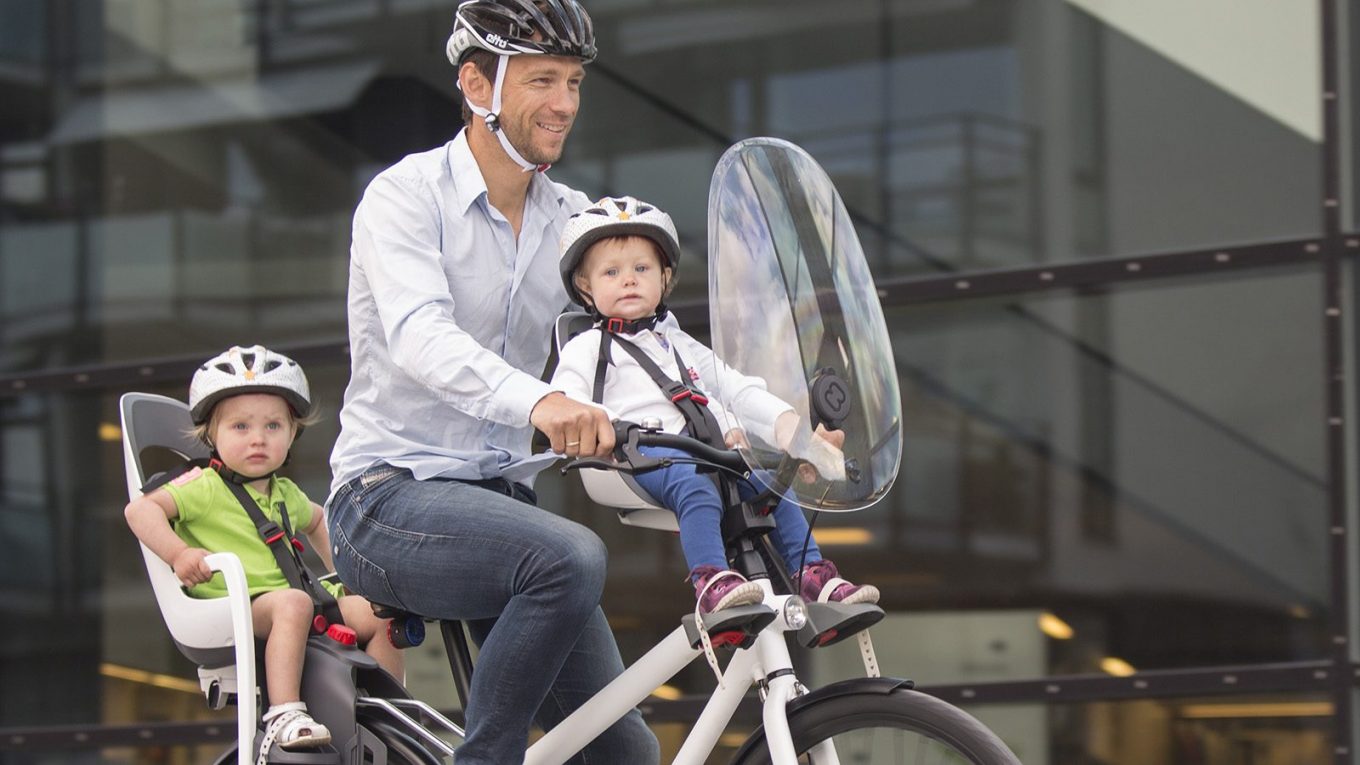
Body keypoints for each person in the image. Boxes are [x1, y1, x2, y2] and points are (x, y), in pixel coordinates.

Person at [325, 2, 659, 764]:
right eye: (543, 79)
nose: (565, 103)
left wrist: (756, 419)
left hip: (499, 511)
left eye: (574, 82)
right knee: (568, 556)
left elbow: (630, 341)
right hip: (384, 499)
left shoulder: (575, 222)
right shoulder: (405, 197)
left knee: (625, 754)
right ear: (477, 84)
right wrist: (542, 401)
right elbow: (421, 337)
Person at [551, 196, 881, 615]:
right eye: (611, 272)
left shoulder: (679, 344)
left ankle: (810, 573)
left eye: (642, 269)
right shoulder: (587, 347)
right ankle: (710, 579)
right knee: (694, 484)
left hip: (703, 451)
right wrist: (598, 425)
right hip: (640, 455)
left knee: (772, 485)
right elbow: (566, 399)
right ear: (585, 286)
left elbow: (734, 388)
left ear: (664, 276)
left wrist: (790, 430)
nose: (628, 281)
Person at [124, 345, 404, 754]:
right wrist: (179, 554)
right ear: (210, 436)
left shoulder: (285, 492)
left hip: (296, 601)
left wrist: (349, 578)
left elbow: (319, 521)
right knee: (292, 604)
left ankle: (393, 711)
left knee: (378, 611)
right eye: (240, 427)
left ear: (293, 434)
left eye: (273, 426)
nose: (258, 439)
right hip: (232, 602)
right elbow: (140, 510)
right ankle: (285, 712)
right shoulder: (201, 486)